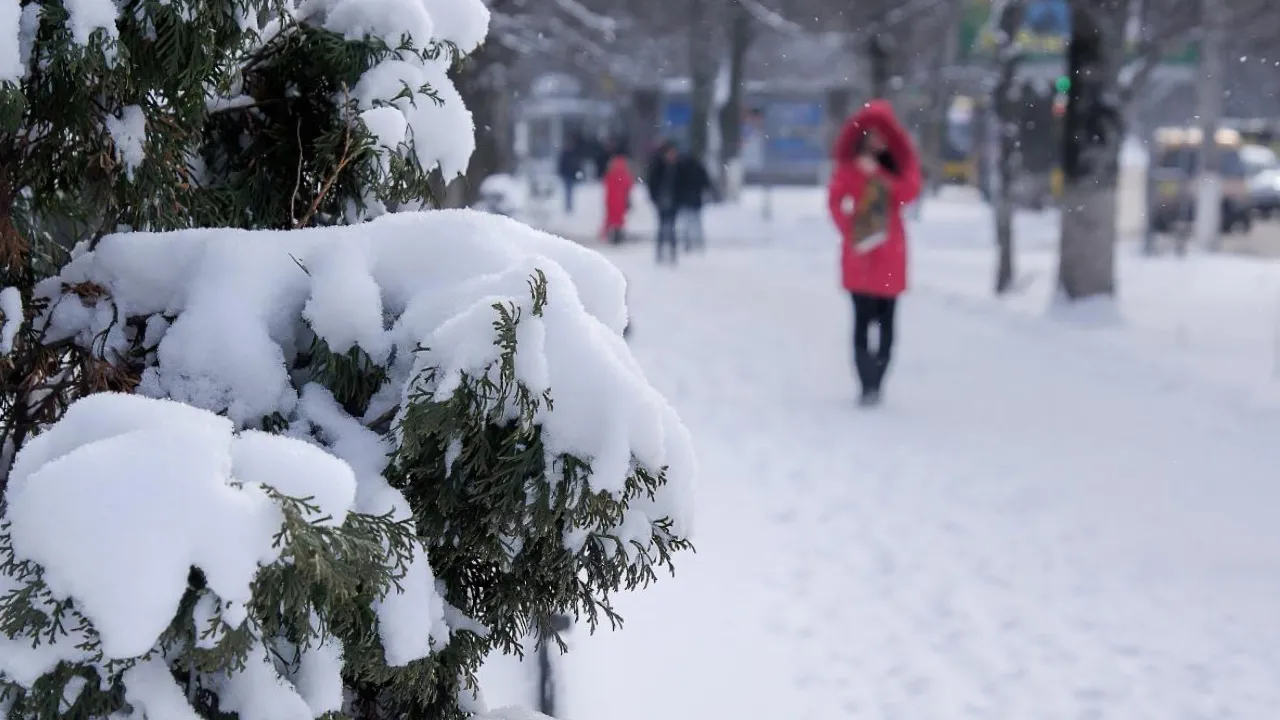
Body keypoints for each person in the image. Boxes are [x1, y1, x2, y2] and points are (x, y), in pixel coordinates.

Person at [827, 100, 922, 407]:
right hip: (860, 255)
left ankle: (877, 381)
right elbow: (834, 201)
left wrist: (878, 175)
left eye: (882, 135)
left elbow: (908, 192)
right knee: (861, 321)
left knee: (886, 324)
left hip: (890, 252)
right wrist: (850, 230)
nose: (876, 141)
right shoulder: (849, 167)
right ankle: (865, 383)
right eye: (871, 134)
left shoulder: (897, 166)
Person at [646, 142, 682, 265]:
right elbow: (652, 183)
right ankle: (660, 252)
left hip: (674, 201)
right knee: (662, 227)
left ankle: (672, 252)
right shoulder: (659, 166)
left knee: (672, 227)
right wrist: (655, 198)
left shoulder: (677, 167)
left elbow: (682, 184)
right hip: (661, 200)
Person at [675, 152, 716, 252]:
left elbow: (676, 184)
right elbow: (706, 182)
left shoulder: (681, 168)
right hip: (696, 200)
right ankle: (698, 243)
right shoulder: (698, 168)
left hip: (684, 200)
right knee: (696, 223)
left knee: (686, 223)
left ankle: (688, 242)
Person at [602, 154, 634, 245]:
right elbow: (629, 186)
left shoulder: (610, 174)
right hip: (621, 200)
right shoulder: (625, 175)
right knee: (619, 219)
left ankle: (609, 234)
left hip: (611, 200)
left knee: (611, 218)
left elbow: (607, 186)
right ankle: (618, 234)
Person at [557, 139, 581, 214]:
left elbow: (576, 165)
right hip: (567, 175)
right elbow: (562, 165)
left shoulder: (571, 154)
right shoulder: (567, 154)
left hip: (570, 175)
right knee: (568, 191)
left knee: (569, 191)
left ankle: (569, 205)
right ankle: (568, 206)